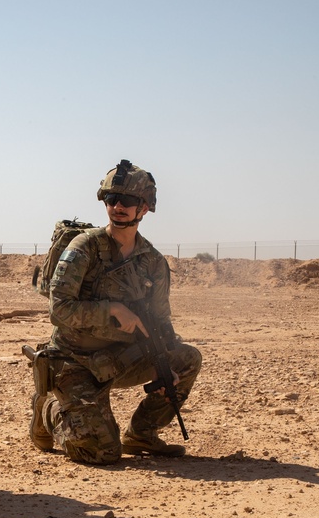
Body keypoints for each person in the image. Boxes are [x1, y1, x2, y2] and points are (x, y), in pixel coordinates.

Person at [29, 159, 202, 464]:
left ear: (144, 207)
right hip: (75, 362)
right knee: (101, 452)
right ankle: (48, 412)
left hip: (120, 360)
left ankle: (142, 434)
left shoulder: (153, 262)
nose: (118, 206)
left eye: (129, 201)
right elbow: (59, 310)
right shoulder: (84, 248)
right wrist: (112, 311)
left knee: (187, 359)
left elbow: (161, 322)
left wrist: (167, 370)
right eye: (112, 199)